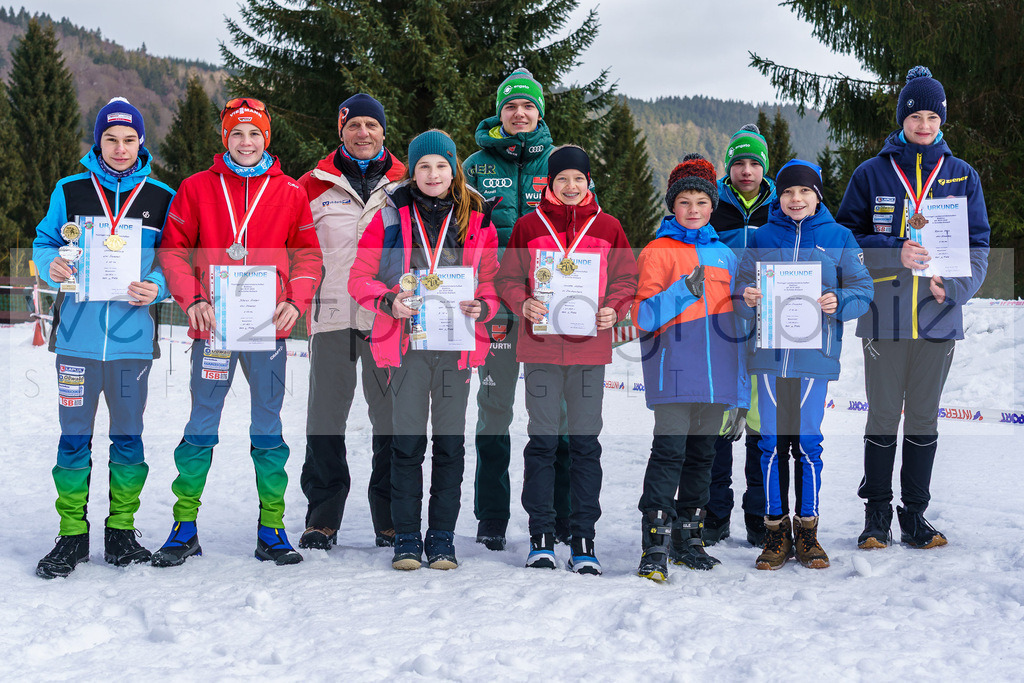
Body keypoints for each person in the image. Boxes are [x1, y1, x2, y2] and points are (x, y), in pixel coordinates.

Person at [153, 98, 323, 567]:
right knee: (201, 422)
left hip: (267, 330)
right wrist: (193, 298)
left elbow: (308, 255)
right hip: (213, 328)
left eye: (254, 134)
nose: (245, 142)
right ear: (224, 138)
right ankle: (184, 527)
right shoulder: (195, 188)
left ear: (266, 138)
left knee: (268, 425)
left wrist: (295, 301)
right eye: (236, 133)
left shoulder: (290, 191)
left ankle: (272, 529)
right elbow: (172, 250)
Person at [836, 66, 990, 550]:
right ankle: (876, 514)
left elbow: (979, 244)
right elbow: (844, 241)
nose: (924, 125)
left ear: (942, 120)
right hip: (884, 313)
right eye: (915, 116)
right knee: (883, 416)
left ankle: (915, 515)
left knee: (923, 418)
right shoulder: (871, 173)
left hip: (939, 316)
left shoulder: (963, 175)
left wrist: (959, 286)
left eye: (932, 117)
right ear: (902, 119)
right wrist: (892, 252)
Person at [31, 97, 175, 579]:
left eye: (129, 139)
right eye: (110, 139)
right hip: (77, 339)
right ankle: (71, 535)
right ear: (98, 143)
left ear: (141, 142)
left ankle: (121, 532)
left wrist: (157, 285)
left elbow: (174, 259)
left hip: (132, 344)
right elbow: (45, 241)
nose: (120, 148)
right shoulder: (70, 190)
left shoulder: (161, 196)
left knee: (128, 436)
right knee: (73, 437)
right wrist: (49, 264)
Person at [348, 129, 499, 570]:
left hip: (456, 347)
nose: (433, 174)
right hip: (406, 345)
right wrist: (387, 300)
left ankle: (442, 538)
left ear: (454, 170)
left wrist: (485, 306)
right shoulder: (389, 216)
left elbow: (491, 281)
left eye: (442, 165)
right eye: (424, 166)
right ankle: (408, 538)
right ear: (412, 172)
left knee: (450, 446)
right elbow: (359, 277)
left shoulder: (477, 219)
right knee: (407, 444)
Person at [495, 145, 638, 575]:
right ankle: (541, 535)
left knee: (584, 444)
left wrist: (614, 307)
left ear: (588, 181)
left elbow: (626, 278)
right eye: (562, 179)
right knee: (541, 442)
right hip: (540, 349)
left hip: (588, 350)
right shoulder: (529, 225)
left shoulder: (608, 226)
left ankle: (582, 538)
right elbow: (506, 277)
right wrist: (521, 302)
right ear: (549, 183)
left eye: (578, 178)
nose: (571, 186)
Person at [737, 159, 872, 570]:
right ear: (779, 197)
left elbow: (863, 289)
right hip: (770, 357)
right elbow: (738, 290)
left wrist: (839, 301)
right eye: (788, 192)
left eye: (804, 192)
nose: (795, 199)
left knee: (808, 444)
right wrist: (746, 297)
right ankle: (775, 532)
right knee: (771, 444)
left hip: (814, 357)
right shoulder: (762, 236)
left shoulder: (839, 236)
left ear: (817, 196)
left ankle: (808, 532)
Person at [464, 68, 572, 551]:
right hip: (496, 313)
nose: (520, 113)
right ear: (499, 113)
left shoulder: (560, 165)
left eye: (529, 105)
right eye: (511, 106)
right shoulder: (473, 167)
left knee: (557, 415)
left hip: (551, 313)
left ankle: (560, 513)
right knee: (494, 412)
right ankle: (491, 516)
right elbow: (458, 235)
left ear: (540, 112)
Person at [296, 94, 406, 551]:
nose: (363, 133)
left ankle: (391, 518)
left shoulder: (406, 183)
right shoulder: (311, 184)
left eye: (371, 125)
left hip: (388, 317)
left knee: (392, 419)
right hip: (332, 315)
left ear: (383, 131)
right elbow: (295, 246)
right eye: (354, 125)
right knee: (325, 419)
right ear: (340, 130)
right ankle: (322, 517)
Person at [633, 153, 749, 582]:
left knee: (703, 457)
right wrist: (683, 290)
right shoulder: (657, 251)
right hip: (674, 374)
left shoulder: (726, 255)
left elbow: (738, 327)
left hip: (718, 378)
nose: (694, 209)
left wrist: (740, 394)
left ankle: (689, 538)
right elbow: (642, 315)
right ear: (672, 205)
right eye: (685, 202)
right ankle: (655, 542)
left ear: (713, 205)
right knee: (669, 454)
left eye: (702, 201)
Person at [705, 124, 776, 547]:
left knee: (759, 423)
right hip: (718, 329)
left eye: (754, 163)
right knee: (717, 423)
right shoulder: (710, 204)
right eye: (739, 163)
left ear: (764, 168)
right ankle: (714, 514)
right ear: (728, 166)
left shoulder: (780, 206)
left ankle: (757, 515)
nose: (746, 171)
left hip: (766, 330)